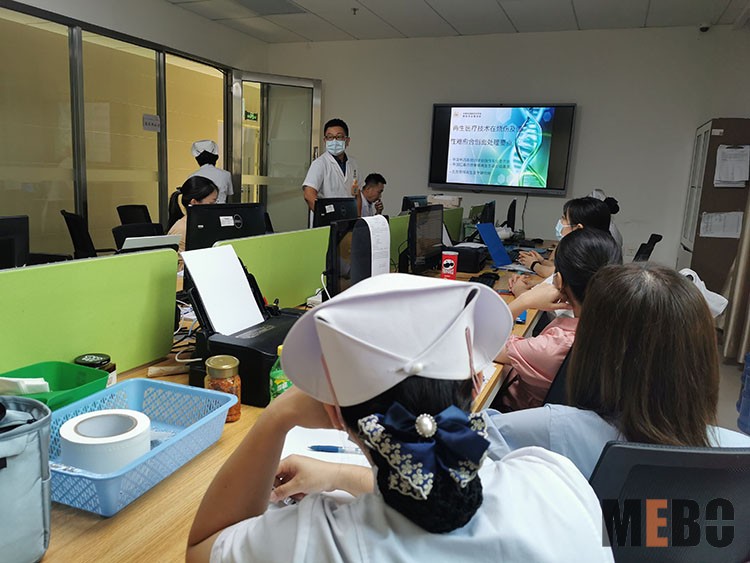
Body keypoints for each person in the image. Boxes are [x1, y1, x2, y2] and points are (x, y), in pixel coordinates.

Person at [186, 274, 614, 563]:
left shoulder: (316, 541)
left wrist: (277, 417)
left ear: (333, 413)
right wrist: (339, 475)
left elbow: (203, 548)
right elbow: (436, 491)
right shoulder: (557, 481)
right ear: (475, 385)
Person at [268, 265, 750, 503]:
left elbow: (431, 485)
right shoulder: (738, 454)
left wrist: (335, 474)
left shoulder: (549, 433)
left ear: (596, 348)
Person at [493, 229, 622, 411]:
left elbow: (482, 344)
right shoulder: (623, 324)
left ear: (558, 280)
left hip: (515, 413)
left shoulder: (555, 345)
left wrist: (523, 301)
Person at [510, 196, 611, 294]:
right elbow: (555, 277)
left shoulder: (582, 257)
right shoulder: (599, 249)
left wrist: (519, 289)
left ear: (578, 229)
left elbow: (555, 278)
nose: (560, 222)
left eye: (564, 218)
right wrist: (533, 282)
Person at [302, 118, 360, 217]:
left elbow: (357, 195)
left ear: (347, 141)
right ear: (325, 140)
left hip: (348, 219)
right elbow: (308, 194)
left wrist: (357, 218)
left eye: (339, 137)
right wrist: (324, 215)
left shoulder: (353, 164)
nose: (334, 141)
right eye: (330, 137)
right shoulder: (320, 164)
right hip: (328, 221)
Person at [167, 176, 218, 254]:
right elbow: (177, 261)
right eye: (211, 203)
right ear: (194, 202)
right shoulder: (181, 230)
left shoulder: (205, 224)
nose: (215, 207)